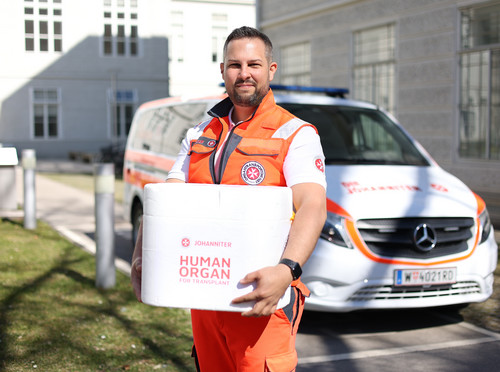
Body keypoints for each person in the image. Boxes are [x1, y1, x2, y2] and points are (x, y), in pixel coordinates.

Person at [131, 26, 327, 371]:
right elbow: (166, 200)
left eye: (254, 63)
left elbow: (312, 204)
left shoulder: (295, 133)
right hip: (204, 298)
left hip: (263, 299)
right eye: (234, 65)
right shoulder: (198, 134)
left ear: (271, 69)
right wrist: (139, 255)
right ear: (222, 71)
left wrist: (288, 269)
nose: (244, 73)